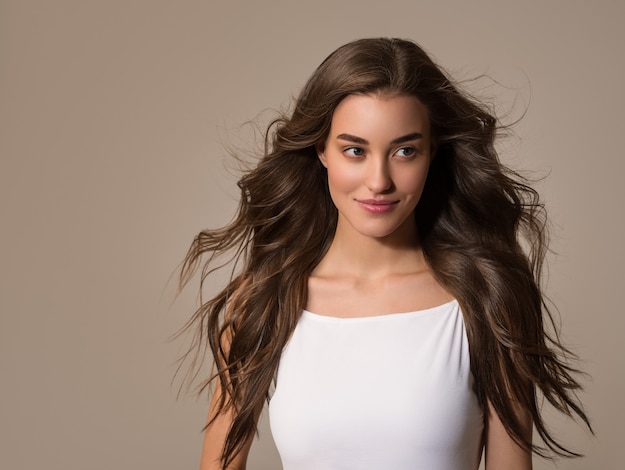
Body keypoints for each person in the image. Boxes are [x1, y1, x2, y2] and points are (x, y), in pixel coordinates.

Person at [178, 37, 591, 470]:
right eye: (354, 150)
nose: (379, 181)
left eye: (404, 151)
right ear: (321, 150)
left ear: (432, 152)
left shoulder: (487, 300)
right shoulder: (261, 304)